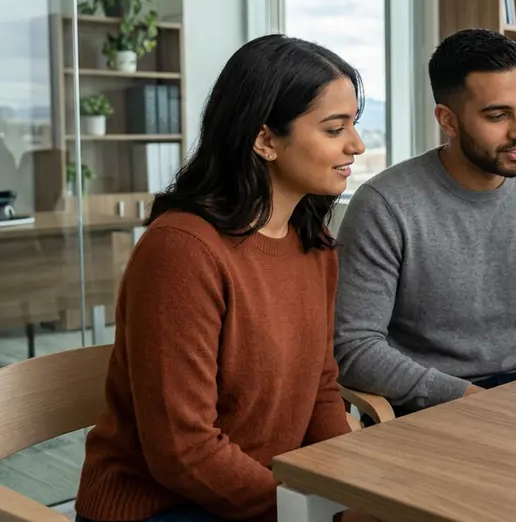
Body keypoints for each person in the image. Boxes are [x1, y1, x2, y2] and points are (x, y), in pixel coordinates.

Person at [74, 35, 367, 522]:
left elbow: (320, 390)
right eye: (335, 128)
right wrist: (310, 513)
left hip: (264, 494)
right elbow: (183, 450)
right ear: (265, 139)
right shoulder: (182, 251)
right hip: (164, 507)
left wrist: (349, 494)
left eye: (354, 125)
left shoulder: (312, 242)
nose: (356, 145)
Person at [334, 28, 516, 417]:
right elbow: (355, 348)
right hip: (426, 410)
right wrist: (475, 401)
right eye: (497, 115)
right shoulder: (385, 205)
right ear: (448, 120)